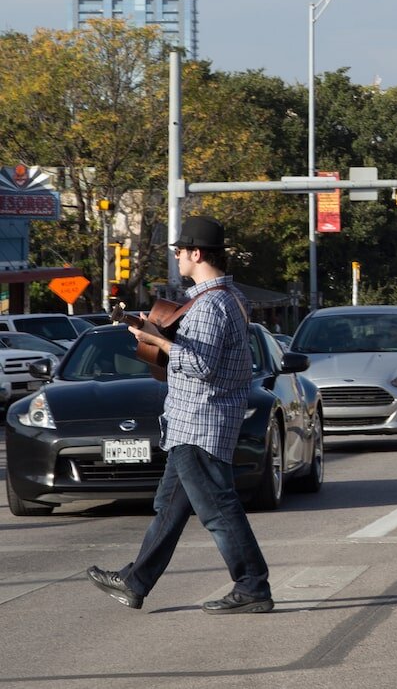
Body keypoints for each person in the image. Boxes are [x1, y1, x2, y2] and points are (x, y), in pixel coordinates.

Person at [87, 216, 274, 614]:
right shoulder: (230, 297)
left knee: (219, 509)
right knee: (168, 508)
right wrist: (154, 335)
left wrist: (155, 339)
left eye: (179, 250)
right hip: (196, 421)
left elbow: (200, 364)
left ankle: (253, 585)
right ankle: (135, 581)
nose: (175, 256)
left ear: (196, 253)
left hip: (199, 422)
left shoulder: (209, 305)